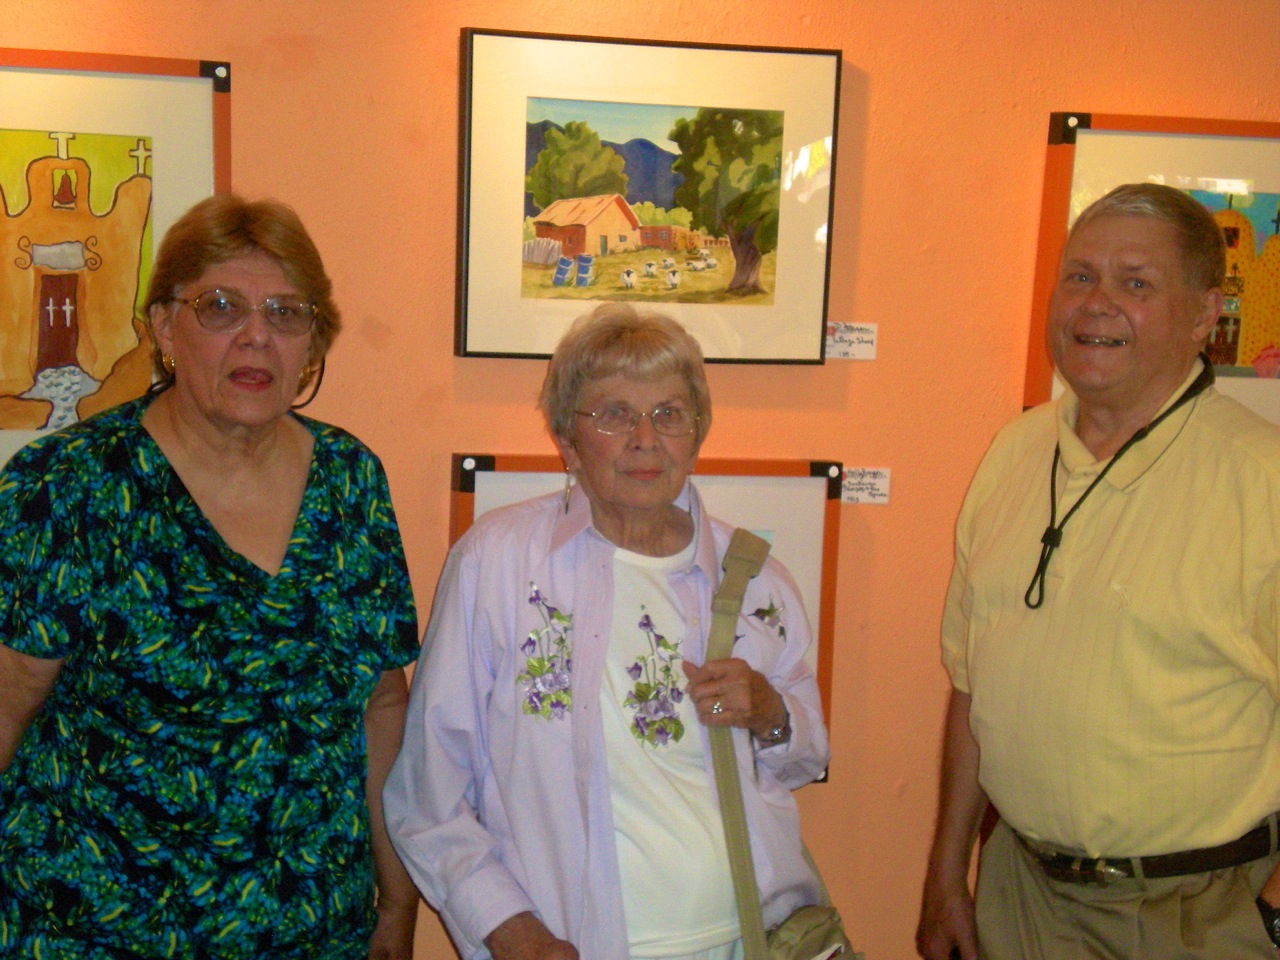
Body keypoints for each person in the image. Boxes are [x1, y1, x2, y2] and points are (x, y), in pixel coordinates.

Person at [0, 194, 421, 958]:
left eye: (287, 313)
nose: (257, 335)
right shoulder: (67, 485)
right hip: (94, 933)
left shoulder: (352, 479)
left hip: (313, 934)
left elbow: (382, 704)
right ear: (164, 327)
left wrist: (396, 904)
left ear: (313, 341)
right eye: (221, 306)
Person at [384, 303, 830, 960]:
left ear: (697, 435)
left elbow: (805, 758)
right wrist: (510, 930)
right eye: (616, 414)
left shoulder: (756, 579)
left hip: (748, 940)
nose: (646, 439)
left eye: (669, 414)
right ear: (568, 439)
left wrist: (770, 712)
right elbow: (429, 788)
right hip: (569, 945)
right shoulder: (497, 563)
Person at [915, 182, 1280, 960]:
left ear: (1205, 315)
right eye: (1079, 276)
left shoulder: (1263, 481)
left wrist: (1274, 920)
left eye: (1135, 283)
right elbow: (973, 685)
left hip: (1194, 914)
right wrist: (947, 872)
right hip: (1019, 894)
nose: (1096, 304)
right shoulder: (1014, 452)